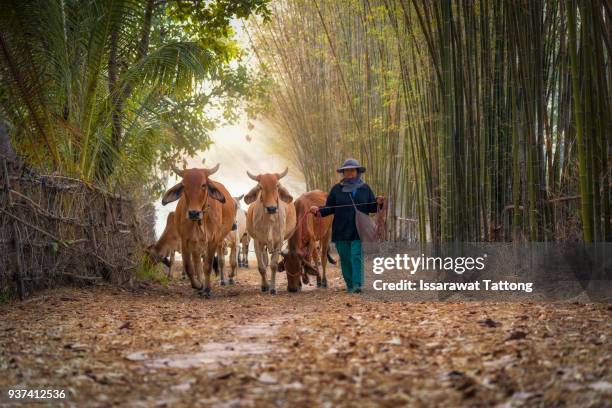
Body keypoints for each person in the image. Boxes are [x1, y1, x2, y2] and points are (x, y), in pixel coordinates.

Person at [310, 158, 384, 293]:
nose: (349, 173)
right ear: (343, 173)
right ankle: (350, 284)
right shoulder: (336, 190)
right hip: (341, 229)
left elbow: (372, 207)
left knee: (356, 255)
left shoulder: (365, 188)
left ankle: (358, 284)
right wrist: (318, 210)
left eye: (352, 170)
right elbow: (329, 208)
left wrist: (379, 202)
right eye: (347, 170)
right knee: (345, 258)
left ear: (357, 172)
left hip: (358, 230)